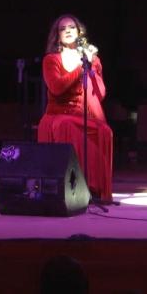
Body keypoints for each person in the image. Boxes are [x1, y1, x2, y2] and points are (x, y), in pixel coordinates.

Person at [37, 14, 113, 202]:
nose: (68, 30)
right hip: (58, 115)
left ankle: (94, 189)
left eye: (71, 27)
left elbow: (100, 93)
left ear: (79, 32)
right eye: (62, 29)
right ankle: (72, 187)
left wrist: (92, 67)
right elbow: (57, 87)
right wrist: (80, 67)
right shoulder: (51, 60)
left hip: (82, 116)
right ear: (57, 36)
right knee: (68, 126)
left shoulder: (92, 59)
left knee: (105, 131)